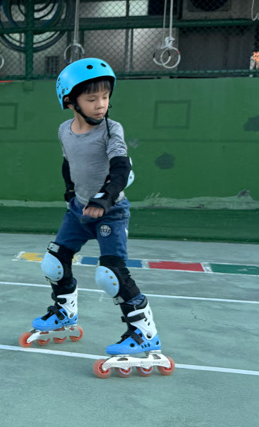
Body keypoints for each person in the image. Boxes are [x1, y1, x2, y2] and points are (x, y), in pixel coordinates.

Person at [23, 58, 165, 368]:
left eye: (105, 96)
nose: (101, 104)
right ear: (70, 101)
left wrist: (105, 198)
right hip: (79, 210)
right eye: (91, 98)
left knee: (110, 274)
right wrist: (70, 191)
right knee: (53, 263)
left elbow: (120, 167)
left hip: (110, 213)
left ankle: (144, 333)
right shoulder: (65, 130)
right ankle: (65, 312)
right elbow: (68, 163)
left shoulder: (112, 130)